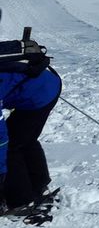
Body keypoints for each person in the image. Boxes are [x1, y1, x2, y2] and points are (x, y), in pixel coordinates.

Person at [0, 33, 61, 220]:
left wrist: (1, 174)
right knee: (24, 139)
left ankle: (20, 202)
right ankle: (39, 186)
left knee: (12, 145)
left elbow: (1, 139)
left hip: (39, 95)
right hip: (46, 82)